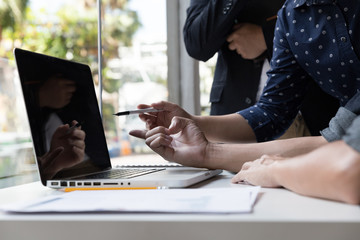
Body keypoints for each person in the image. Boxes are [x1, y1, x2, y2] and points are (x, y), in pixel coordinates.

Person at [129, 0, 360, 204]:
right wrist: (193, 123)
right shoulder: (292, 15)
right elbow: (273, 111)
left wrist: (275, 170)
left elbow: (345, 154)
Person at [183, 0, 339, 138]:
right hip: (235, 117)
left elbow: (334, 17)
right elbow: (196, 45)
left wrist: (267, 36)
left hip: (314, 112)